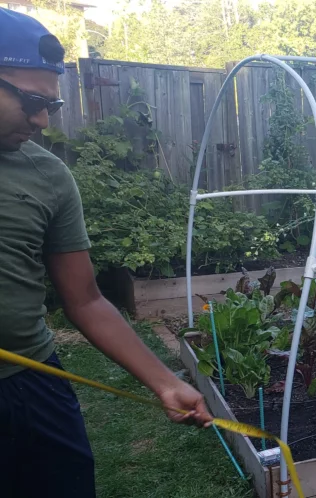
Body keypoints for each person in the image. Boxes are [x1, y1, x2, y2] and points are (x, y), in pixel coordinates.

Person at [0, 8, 213, 497]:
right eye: (31, 101)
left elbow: (86, 301)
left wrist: (165, 382)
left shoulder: (48, 176)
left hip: (30, 382)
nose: (39, 119)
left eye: (49, 108)